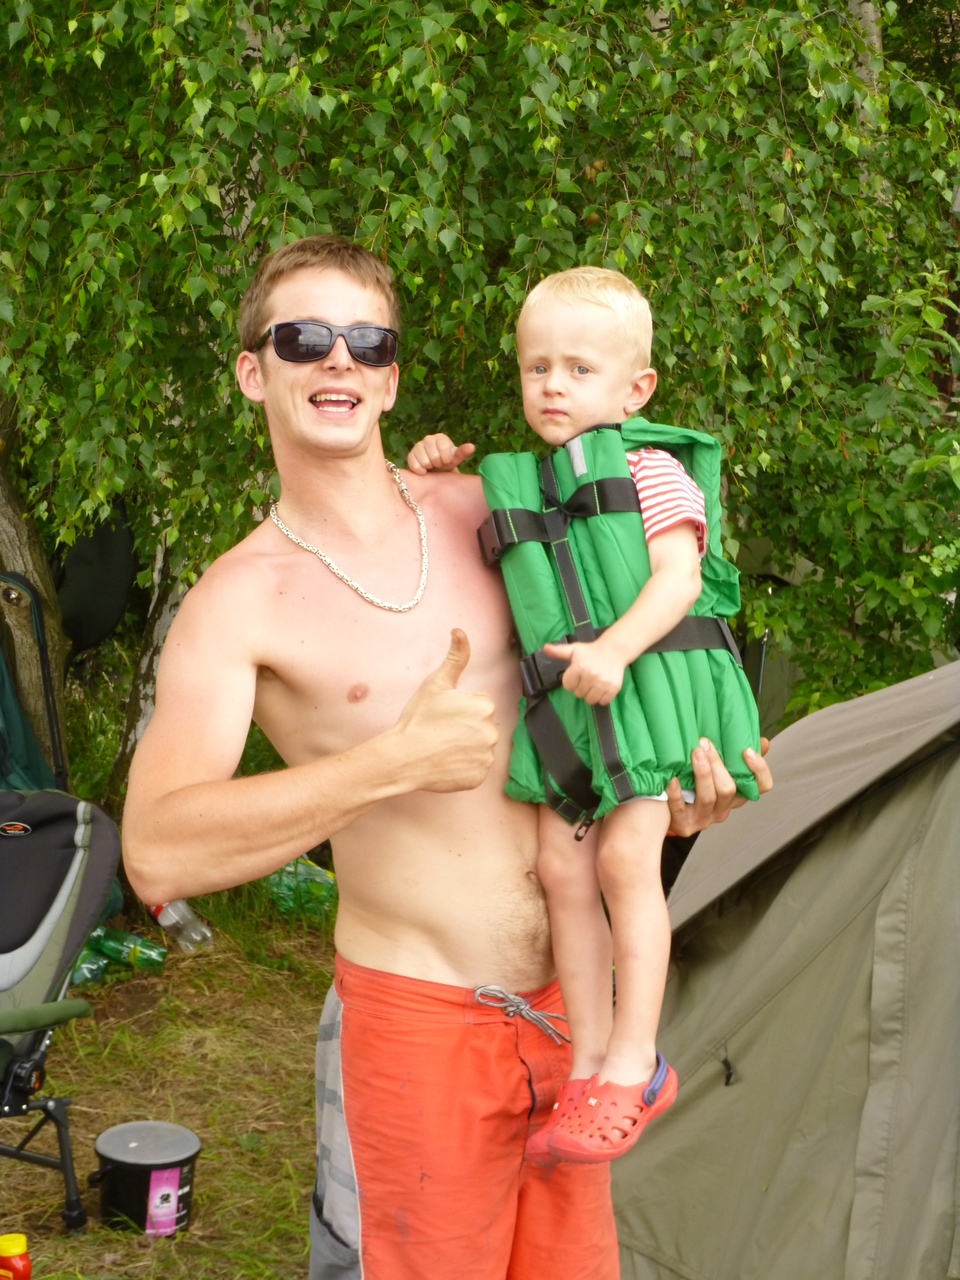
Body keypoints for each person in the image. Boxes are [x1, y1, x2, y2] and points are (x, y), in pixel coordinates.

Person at [122, 237, 771, 1280]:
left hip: (571, 1017)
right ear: (252, 370)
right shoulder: (237, 602)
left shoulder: (489, 512)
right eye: (304, 338)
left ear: (389, 377)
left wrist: (675, 784)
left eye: (366, 341)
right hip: (416, 1028)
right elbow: (157, 852)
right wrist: (393, 760)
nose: (339, 358)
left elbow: (641, 640)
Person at [406, 267, 761, 1166]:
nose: (552, 386)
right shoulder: (525, 482)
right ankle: (589, 1062)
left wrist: (616, 649)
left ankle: (638, 1061)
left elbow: (679, 579)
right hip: (570, 715)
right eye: (537, 368)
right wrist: (434, 472)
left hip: (643, 699)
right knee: (562, 872)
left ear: (636, 389)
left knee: (625, 861)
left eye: (577, 369)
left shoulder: (652, 470)